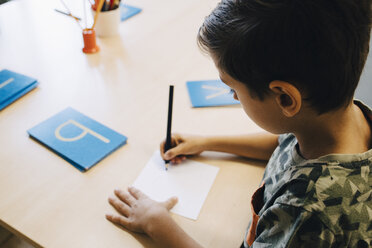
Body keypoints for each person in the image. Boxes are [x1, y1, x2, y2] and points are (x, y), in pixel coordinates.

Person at [105, 0, 372, 247]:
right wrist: (208, 142)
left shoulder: (306, 211)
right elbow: (280, 145)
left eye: (232, 88)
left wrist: (158, 226)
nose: (232, 96)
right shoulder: (340, 119)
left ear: (285, 99)